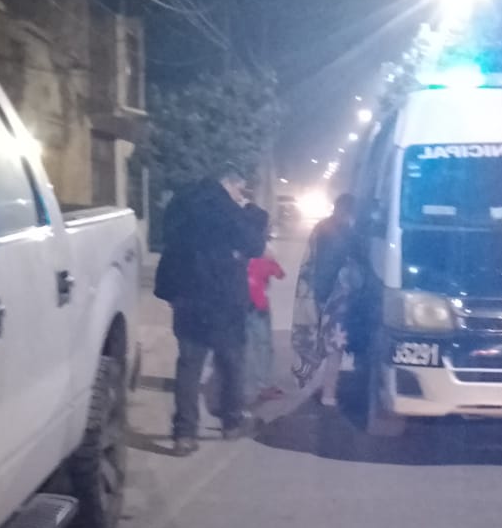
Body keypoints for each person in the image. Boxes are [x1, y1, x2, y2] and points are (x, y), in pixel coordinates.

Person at [154, 166, 265, 455]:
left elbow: (166, 239)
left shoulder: (181, 201)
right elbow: (255, 245)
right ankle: (232, 422)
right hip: (223, 298)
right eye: (239, 189)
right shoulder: (226, 208)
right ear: (229, 183)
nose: (239, 195)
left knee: (189, 365)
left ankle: (184, 434)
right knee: (231, 361)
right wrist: (249, 210)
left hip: (186, 295)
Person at [292, 193, 359, 408]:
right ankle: (328, 393)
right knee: (334, 346)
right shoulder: (345, 233)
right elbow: (335, 267)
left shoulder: (321, 227)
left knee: (320, 343)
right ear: (346, 210)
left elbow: (312, 262)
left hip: (317, 294)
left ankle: (315, 385)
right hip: (334, 298)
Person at [245, 230, 286, 405]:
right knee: (263, 345)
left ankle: (250, 386)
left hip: (240, 304)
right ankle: (262, 385)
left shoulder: (241, 253)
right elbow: (280, 274)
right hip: (258, 306)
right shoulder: (263, 258)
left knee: (245, 345)